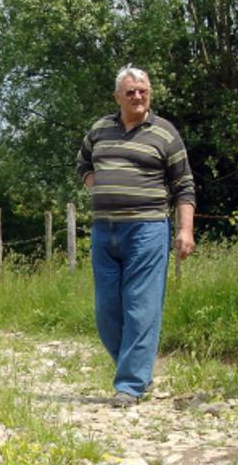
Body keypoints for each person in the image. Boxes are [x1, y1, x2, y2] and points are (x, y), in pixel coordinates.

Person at [77, 65, 196, 405]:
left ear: (150, 94)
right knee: (107, 311)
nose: (137, 96)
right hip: (104, 231)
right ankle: (137, 372)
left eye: (143, 90)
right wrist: (93, 181)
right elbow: (83, 161)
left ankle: (130, 384)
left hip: (147, 229)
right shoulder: (100, 129)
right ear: (118, 97)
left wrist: (185, 229)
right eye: (130, 91)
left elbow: (184, 185)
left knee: (141, 309)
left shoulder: (164, 133)